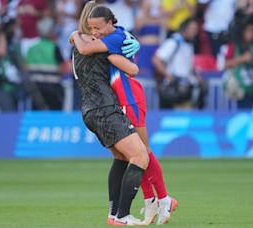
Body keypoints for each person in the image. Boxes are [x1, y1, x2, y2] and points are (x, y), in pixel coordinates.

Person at [70, 3, 177, 225]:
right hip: (117, 101)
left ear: (110, 23)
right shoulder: (100, 42)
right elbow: (133, 68)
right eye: (92, 28)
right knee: (140, 154)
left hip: (116, 101)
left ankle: (153, 201)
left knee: (135, 155)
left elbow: (129, 65)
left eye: (98, 27)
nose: (95, 32)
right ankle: (155, 201)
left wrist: (75, 35)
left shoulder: (104, 41)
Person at [152, 17, 207, 110]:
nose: (195, 32)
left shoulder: (190, 44)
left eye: (196, 29)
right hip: (173, 86)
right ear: (185, 29)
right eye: (192, 29)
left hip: (186, 85)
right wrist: (169, 76)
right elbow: (156, 60)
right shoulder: (174, 42)